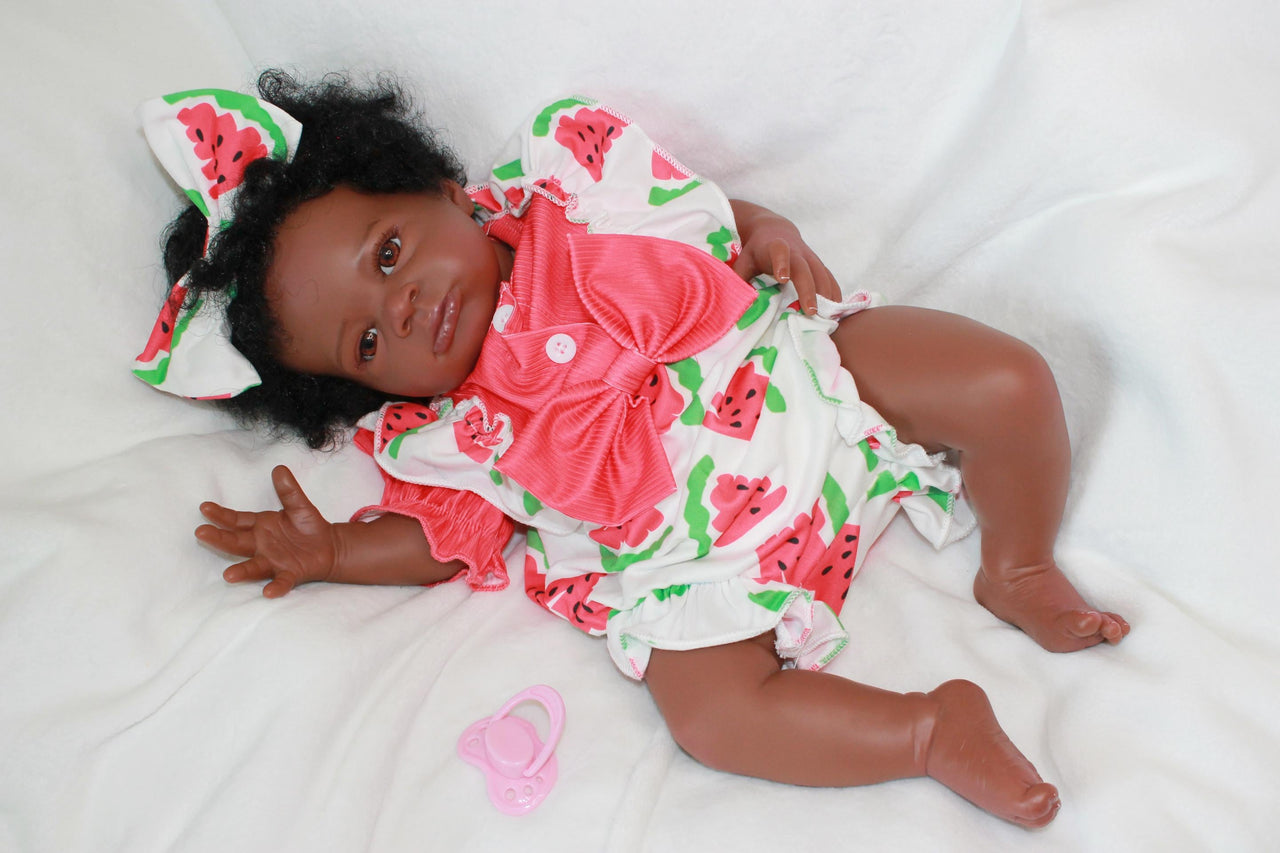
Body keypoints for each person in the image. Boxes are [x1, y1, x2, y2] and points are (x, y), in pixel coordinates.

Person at [137, 71, 1129, 829]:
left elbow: (711, 221)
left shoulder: (575, 198)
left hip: (807, 387)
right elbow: (441, 543)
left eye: (388, 252)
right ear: (363, 389)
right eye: (364, 343)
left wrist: (767, 231)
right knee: (710, 717)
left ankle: (1017, 563)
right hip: (699, 560)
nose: (398, 308)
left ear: (442, 188)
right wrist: (334, 552)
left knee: (1004, 381)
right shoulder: (446, 434)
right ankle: (926, 729)